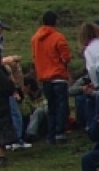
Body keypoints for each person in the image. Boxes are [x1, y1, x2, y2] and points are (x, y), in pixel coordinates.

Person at [34, 11, 73, 144]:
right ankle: (60, 132)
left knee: (51, 106)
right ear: (55, 22)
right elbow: (66, 57)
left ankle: (50, 135)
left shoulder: (35, 39)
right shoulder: (58, 37)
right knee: (61, 105)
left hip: (44, 77)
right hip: (58, 75)